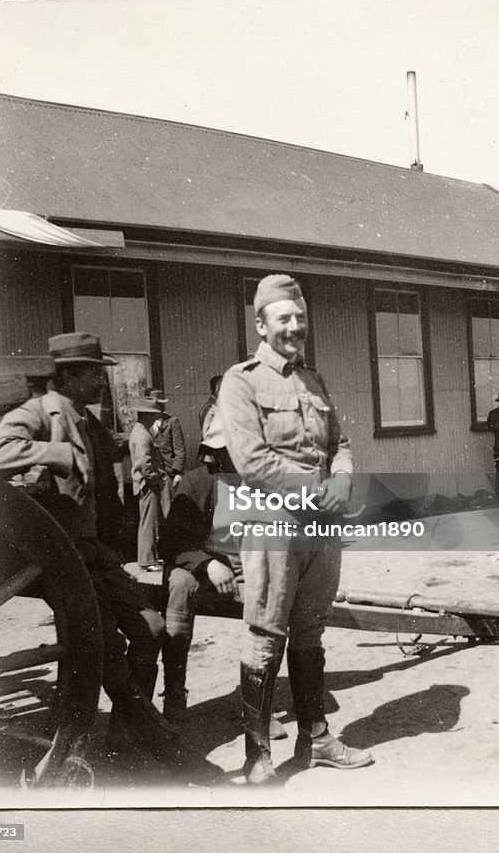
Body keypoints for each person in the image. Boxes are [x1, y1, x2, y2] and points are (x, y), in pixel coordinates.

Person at [0, 332, 182, 768]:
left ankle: (126, 726)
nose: (101, 380)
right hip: (61, 554)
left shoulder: (89, 419)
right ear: (70, 376)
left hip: (95, 551)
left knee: (150, 626)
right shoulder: (39, 411)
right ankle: (140, 729)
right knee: (101, 643)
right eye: (94, 372)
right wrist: (55, 453)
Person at [218, 273, 374, 784]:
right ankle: (257, 754)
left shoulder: (316, 381)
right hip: (274, 525)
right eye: (283, 318)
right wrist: (318, 488)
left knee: (311, 629)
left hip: (321, 528)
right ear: (261, 325)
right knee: (266, 631)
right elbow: (253, 462)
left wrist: (345, 480)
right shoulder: (240, 381)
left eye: (300, 318)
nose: (295, 326)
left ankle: (316, 739)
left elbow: (341, 442)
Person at [157, 414, 288, 740]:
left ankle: (259, 704)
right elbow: (172, 543)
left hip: (250, 569)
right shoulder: (197, 482)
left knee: (277, 602)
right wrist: (207, 565)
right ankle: (175, 691)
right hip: (203, 570)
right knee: (179, 587)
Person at [129, 399, 170, 571]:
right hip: (148, 485)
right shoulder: (143, 436)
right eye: (153, 415)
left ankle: (150, 558)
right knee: (148, 523)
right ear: (146, 415)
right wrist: (157, 479)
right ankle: (147, 560)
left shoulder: (140, 432)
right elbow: (144, 464)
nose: (156, 419)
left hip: (146, 484)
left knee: (150, 521)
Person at [144, 387, 186, 498]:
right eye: (154, 403)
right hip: (153, 475)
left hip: (169, 472)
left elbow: (180, 450)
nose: (158, 406)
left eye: (160, 403)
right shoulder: (144, 425)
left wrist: (178, 473)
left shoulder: (172, 422)